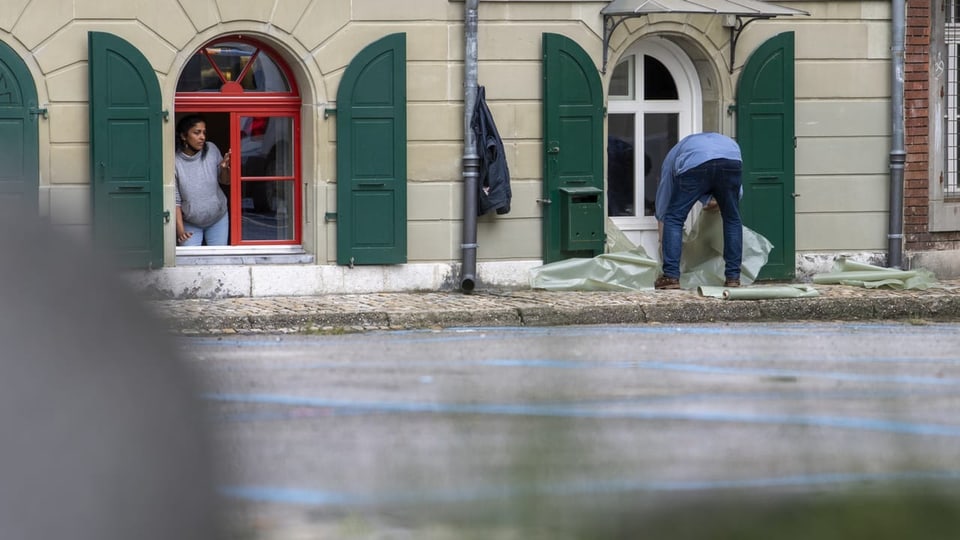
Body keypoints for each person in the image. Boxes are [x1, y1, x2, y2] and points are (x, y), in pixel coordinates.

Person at [654, 132, 743, 290]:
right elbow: (735, 191)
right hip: (731, 160)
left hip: (695, 164)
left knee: (674, 218)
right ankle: (733, 278)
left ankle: (671, 277)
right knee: (732, 219)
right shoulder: (728, 143)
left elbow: (666, 189)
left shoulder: (674, 155)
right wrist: (714, 201)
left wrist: (662, 220)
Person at [175, 115, 231, 246]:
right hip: (190, 223)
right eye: (197, 132)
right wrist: (180, 231)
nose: (202, 137)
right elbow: (175, 201)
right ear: (184, 136)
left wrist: (224, 169)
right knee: (189, 261)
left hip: (218, 219)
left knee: (218, 260)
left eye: (204, 132)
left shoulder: (211, 149)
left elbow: (226, 181)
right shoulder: (175, 162)